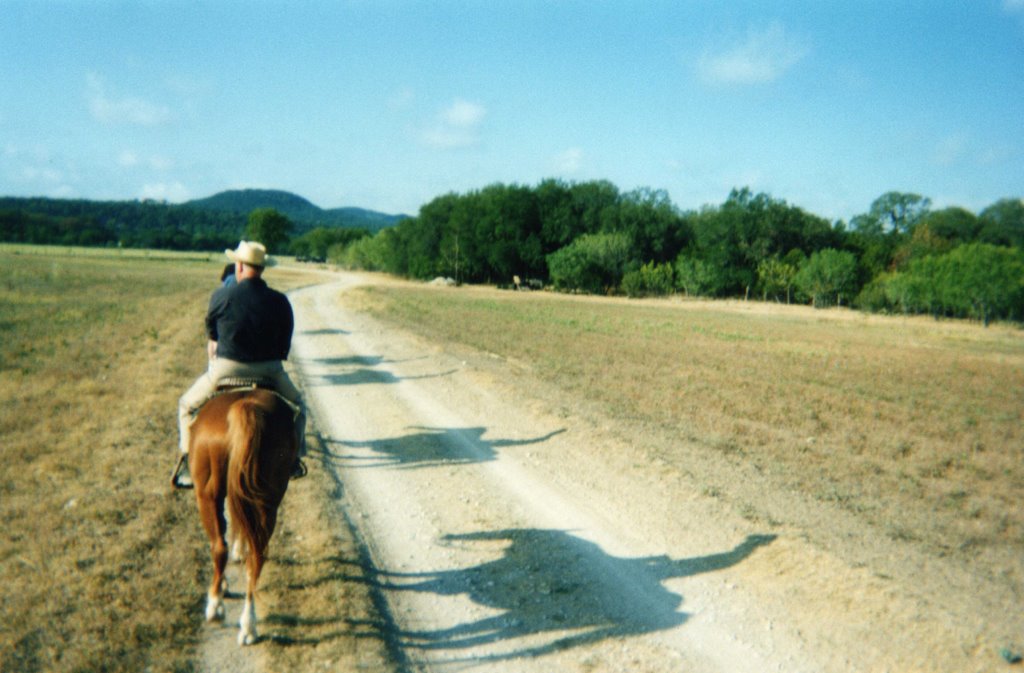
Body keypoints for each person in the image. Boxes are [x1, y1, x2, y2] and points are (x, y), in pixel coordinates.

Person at [174, 240, 305, 486]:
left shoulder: (221, 295)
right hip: (269, 371)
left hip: (226, 369)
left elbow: (212, 334)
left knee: (186, 406)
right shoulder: (280, 300)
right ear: (262, 269)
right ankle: (294, 461)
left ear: (240, 266)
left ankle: (187, 461)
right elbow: (285, 342)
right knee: (299, 407)